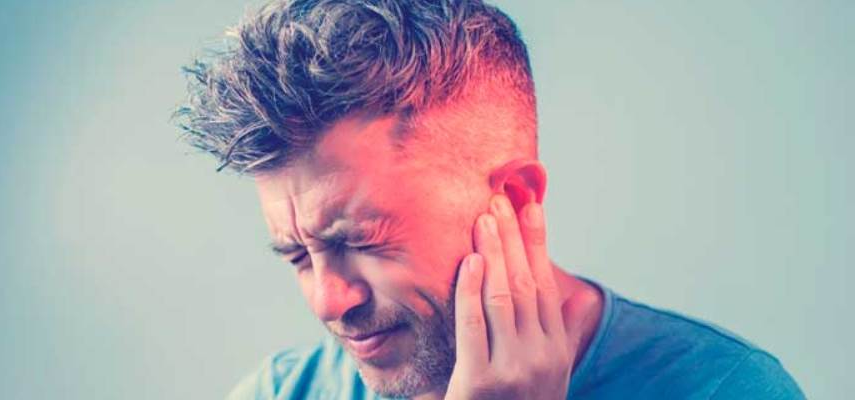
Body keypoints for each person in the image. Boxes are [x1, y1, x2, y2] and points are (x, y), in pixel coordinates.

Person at [175, 0, 805, 398]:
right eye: (297, 256)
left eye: (361, 240)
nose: (328, 300)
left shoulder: (724, 389)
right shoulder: (278, 392)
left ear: (514, 198)